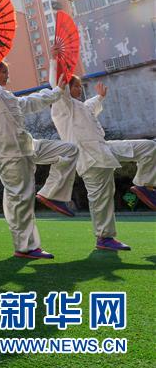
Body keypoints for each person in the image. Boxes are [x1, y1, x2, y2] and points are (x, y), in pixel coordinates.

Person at [0, 22, 77, 259]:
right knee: (20, 198)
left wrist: (58, 92)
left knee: (69, 150)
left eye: (7, 72)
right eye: (2, 72)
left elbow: (33, 101)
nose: (7, 76)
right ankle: (25, 247)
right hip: (9, 154)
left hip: (27, 146)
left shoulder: (8, 97)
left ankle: (51, 193)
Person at [51, 78, 154, 249]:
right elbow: (58, 84)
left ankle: (145, 184)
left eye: (79, 86)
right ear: (65, 89)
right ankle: (104, 238)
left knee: (149, 147)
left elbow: (90, 106)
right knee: (101, 198)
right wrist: (55, 61)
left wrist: (99, 97)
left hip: (104, 149)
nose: (79, 89)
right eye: (75, 86)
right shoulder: (62, 107)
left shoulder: (81, 107)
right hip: (89, 159)